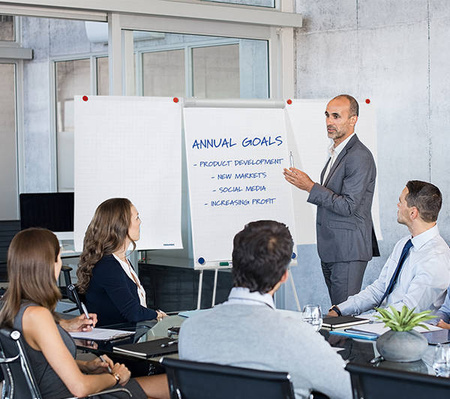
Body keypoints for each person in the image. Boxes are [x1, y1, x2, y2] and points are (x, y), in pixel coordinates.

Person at [179, 220, 351, 399]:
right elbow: (352, 391)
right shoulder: (297, 335)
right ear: (283, 276)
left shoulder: (191, 329)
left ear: (234, 265)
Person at [0, 228, 169, 399]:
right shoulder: (38, 316)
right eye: (59, 258)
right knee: (174, 383)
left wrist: (85, 365)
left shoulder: (13, 308)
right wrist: (115, 377)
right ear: (48, 265)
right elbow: (79, 388)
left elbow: (37, 362)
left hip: (59, 391)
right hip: (74, 395)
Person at [283, 94, 378, 305]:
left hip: (348, 250)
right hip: (333, 248)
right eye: (327, 115)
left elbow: (348, 205)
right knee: (338, 311)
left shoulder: (359, 156)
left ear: (353, 120)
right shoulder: (337, 152)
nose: (329, 122)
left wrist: (310, 186)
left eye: (336, 116)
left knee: (342, 317)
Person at [328, 181, 450, 317]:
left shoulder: (436, 258)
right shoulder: (404, 244)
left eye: (401, 202)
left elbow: (406, 312)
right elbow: (380, 289)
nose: (397, 205)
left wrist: (362, 321)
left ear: (413, 212)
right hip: (383, 326)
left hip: (410, 333)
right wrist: (340, 310)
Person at [77, 198, 165, 327]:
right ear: (121, 225)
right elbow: (133, 313)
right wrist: (158, 315)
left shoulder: (121, 261)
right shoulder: (108, 266)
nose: (140, 222)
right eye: (137, 218)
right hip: (121, 341)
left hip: (135, 334)